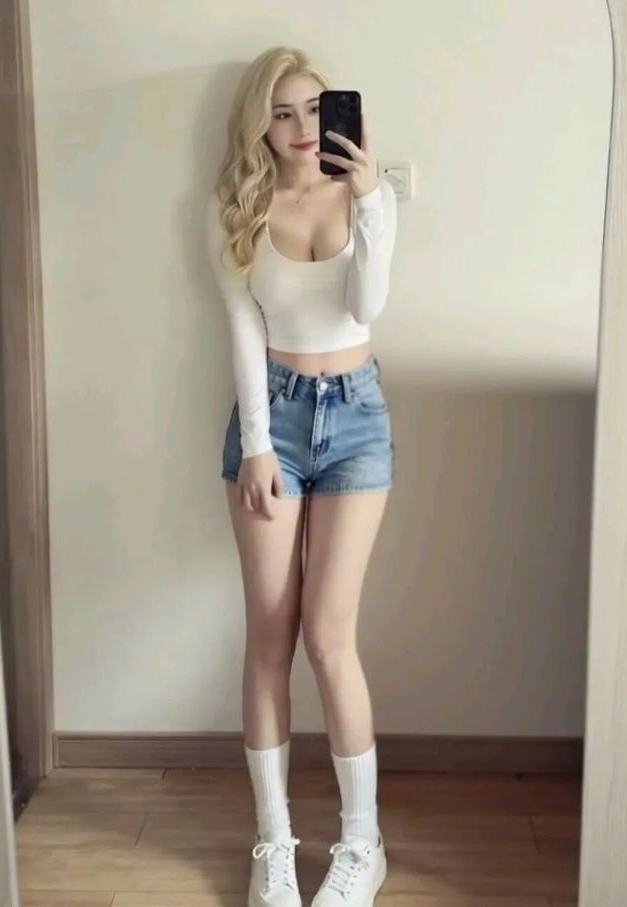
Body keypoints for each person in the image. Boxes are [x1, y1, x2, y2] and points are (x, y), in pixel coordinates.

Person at [206, 44, 397, 907]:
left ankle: (362, 844)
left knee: (329, 636)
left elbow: (365, 306)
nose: (300, 128)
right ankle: (274, 844)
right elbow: (244, 327)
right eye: (281, 113)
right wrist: (255, 443)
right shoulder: (235, 207)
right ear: (261, 124)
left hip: (356, 415)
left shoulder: (367, 197)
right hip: (272, 419)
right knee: (270, 635)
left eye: (314, 109)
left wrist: (371, 201)